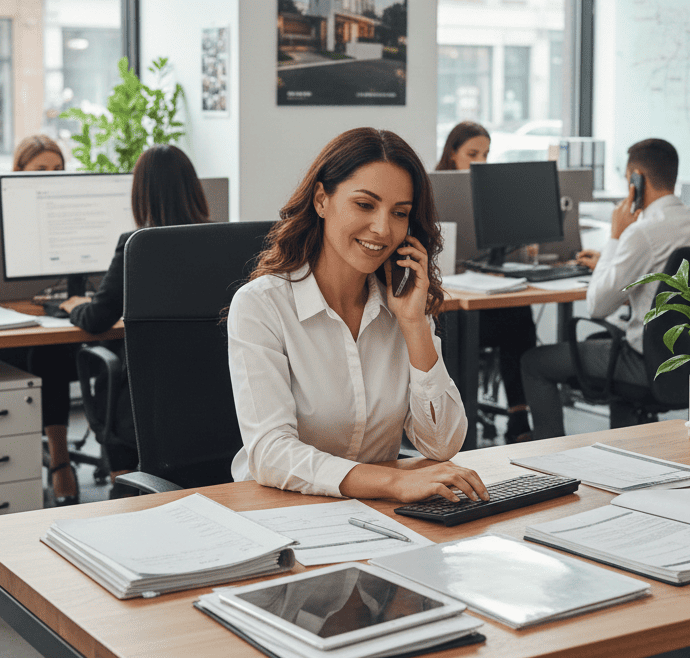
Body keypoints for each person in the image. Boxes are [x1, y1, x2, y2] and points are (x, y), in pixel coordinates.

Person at [228, 127, 488, 503]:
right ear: (322, 200)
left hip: (374, 515)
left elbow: (442, 444)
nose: (383, 229)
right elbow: (270, 452)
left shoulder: (403, 306)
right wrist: (393, 483)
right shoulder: (262, 306)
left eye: (399, 213)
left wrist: (414, 325)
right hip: (280, 510)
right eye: (365, 205)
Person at [520, 138, 690, 439]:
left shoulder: (640, 233)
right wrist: (613, 260)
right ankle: (627, 449)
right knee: (603, 340)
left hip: (646, 363)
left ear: (635, 179)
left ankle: (551, 463)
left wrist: (616, 237)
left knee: (535, 362)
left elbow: (597, 306)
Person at [60, 144, 210, 497]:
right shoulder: (221, 243)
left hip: (147, 413)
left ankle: (124, 488)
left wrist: (73, 306)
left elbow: (97, 318)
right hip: (213, 405)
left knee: (108, 373)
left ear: (141, 195)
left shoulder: (138, 246)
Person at [436, 121, 536, 443]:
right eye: (472, 153)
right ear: (452, 153)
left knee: (519, 315)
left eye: (486, 154)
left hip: (480, 291)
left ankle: (519, 415)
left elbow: (497, 249)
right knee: (480, 326)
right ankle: (459, 428)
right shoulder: (435, 189)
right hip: (446, 303)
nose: (480, 161)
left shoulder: (492, 191)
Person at [3, 135, 74, 505]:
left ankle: (62, 459)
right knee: (47, 357)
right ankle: (60, 463)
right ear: (19, 173)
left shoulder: (71, 212)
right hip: (16, 329)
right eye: (41, 169)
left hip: (66, 320)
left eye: (58, 169)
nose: (52, 176)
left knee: (56, 353)